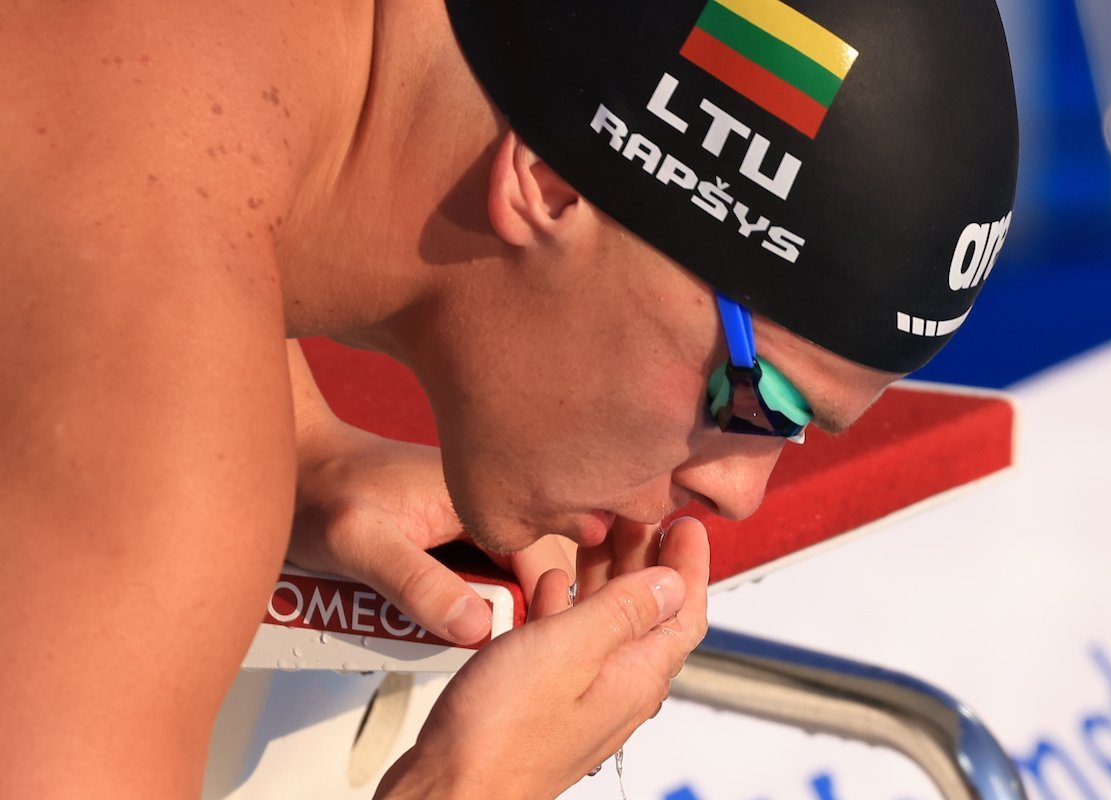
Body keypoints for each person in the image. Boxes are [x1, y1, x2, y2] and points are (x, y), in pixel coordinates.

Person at [0, 0, 1017, 797]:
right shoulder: (148, 391)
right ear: (553, 183)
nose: (739, 492)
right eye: (754, 400)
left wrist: (296, 431)